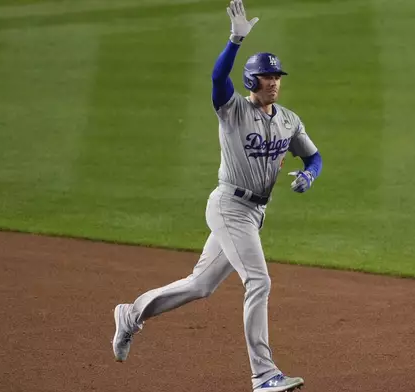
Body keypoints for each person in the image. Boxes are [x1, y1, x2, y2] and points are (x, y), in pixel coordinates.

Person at [111, 1, 323, 391]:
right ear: (250, 81)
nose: (273, 81)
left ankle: (131, 312)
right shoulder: (232, 110)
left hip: (255, 214)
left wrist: (309, 175)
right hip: (229, 206)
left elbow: (314, 156)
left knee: (200, 285)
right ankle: (263, 375)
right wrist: (235, 41)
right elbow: (216, 77)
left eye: (277, 76)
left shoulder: (289, 119)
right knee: (259, 281)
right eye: (265, 76)